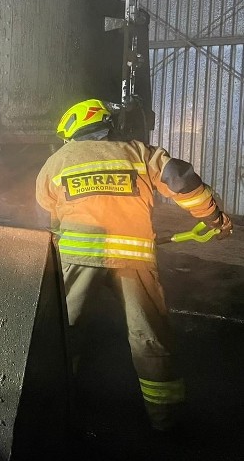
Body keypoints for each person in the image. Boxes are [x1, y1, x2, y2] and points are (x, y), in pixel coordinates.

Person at [35, 98, 232, 433]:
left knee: (62, 334)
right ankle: (166, 420)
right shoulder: (140, 152)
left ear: (71, 133)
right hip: (134, 258)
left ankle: (49, 410)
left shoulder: (55, 163)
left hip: (76, 259)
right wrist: (213, 218)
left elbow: (47, 220)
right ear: (107, 124)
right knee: (150, 336)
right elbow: (182, 182)